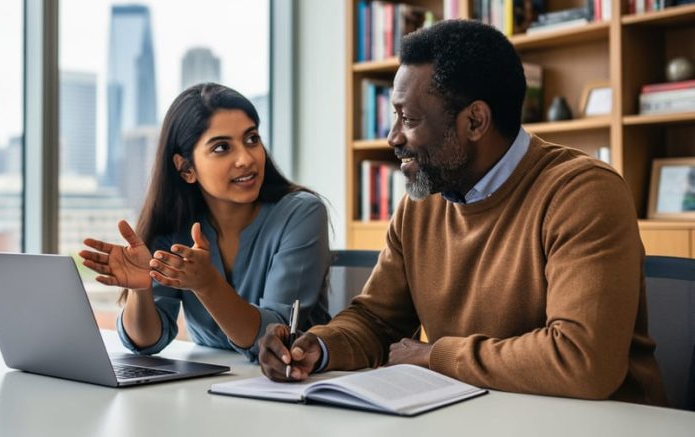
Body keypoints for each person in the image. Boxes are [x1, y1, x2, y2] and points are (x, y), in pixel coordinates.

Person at [258, 20, 667, 406]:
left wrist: (437, 356)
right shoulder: (422, 203)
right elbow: (376, 321)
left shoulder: (582, 192)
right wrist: (319, 347)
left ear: (475, 121)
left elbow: (583, 362)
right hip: (474, 416)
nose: (392, 137)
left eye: (409, 118)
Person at [80, 83, 331, 362]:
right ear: (186, 168)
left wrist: (207, 284)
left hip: (293, 383)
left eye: (252, 139)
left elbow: (275, 338)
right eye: (222, 147)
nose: (246, 159)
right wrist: (141, 292)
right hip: (207, 387)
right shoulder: (175, 226)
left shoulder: (301, 214)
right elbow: (147, 342)